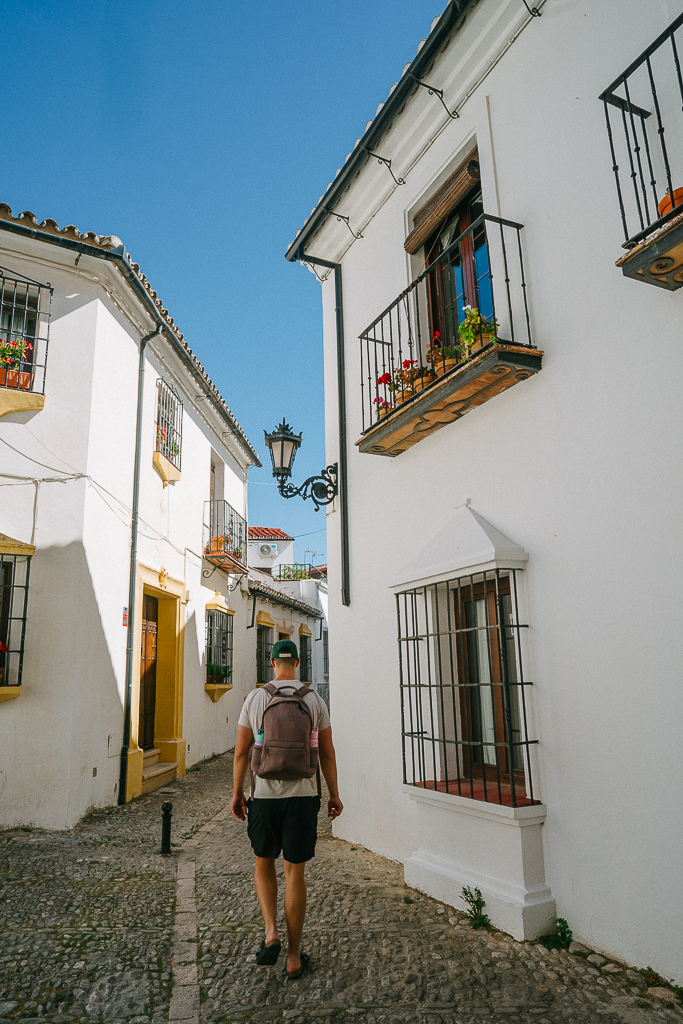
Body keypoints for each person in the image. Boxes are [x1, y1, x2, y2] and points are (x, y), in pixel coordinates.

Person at [231, 638, 343, 979]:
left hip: (264, 796)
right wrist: (334, 795)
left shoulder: (255, 698)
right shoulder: (314, 700)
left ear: (271, 661)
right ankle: (294, 956)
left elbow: (240, 752)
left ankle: (270, 932)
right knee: (295, 873)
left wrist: (237, 793)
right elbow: (326, 753)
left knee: (263, 863)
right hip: (303, 797)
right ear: (297, 662)